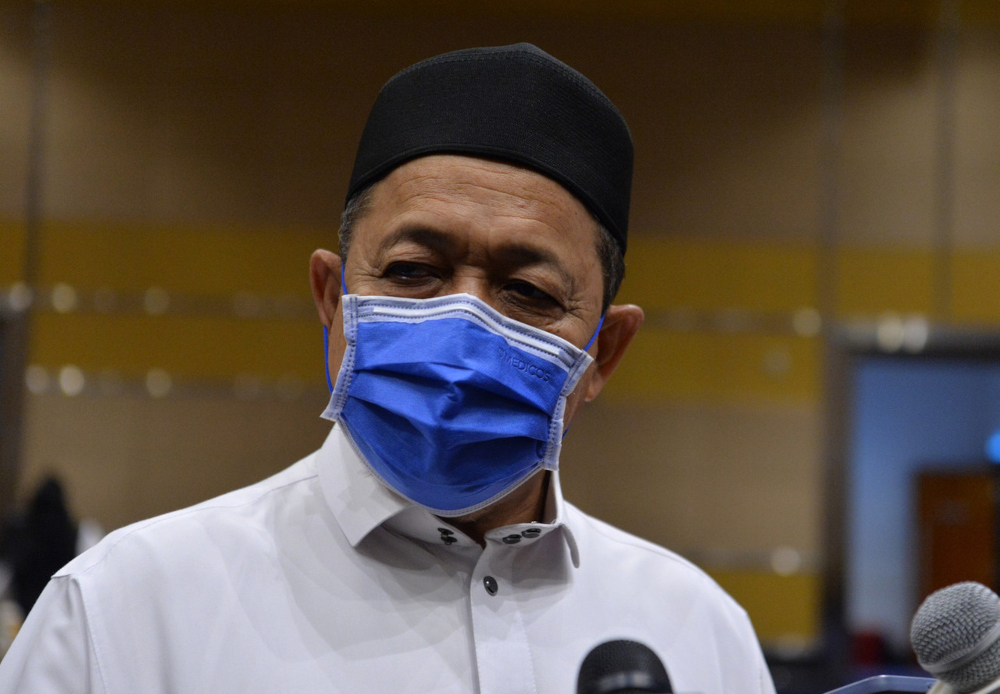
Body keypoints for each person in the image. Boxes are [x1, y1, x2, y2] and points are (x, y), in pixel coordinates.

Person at [0, 43, 776, 693]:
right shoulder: (123, 615)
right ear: (334, 301)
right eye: (412, 272)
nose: (466, 322)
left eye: (528, 291)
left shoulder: (700, 638)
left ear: (602, 352)